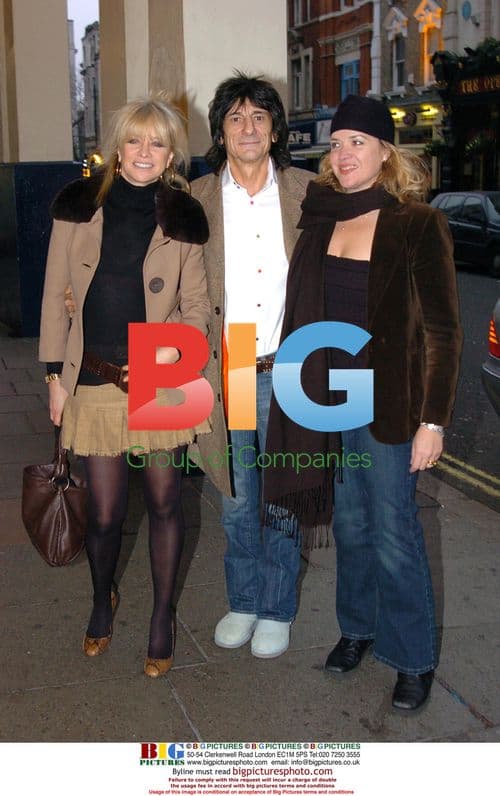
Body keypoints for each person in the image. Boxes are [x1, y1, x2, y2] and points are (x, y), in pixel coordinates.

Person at [265, 94, 462, 709]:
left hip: (390, 401)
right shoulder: (319, 216)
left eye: (359, 142)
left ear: (385, 152)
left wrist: (433, 420)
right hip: (329, 396)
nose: (344, 154)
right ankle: (357, 629)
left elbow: (443, 330)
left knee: (394, 528)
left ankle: (412, 655)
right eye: (338, 142)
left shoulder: (415, 222)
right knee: (348, 525)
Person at [39, 93, 210, 678]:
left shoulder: (183, 216)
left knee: (165, 502)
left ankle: (162, 617)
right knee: (106, 513)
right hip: (92, 378)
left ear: (170, 155)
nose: (144, 151)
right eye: (134, 140)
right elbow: (54, 297)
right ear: (117, 147)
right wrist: (53, 377)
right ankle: (100, 598)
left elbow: (197, 309)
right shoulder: (77, 205)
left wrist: (166, 352)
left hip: (162, 376)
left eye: (157, 142)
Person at [189, 73, 315, 658]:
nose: (247, 127)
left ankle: (277, 607)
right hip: (229, 365)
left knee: (285, 492)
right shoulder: (194, 199)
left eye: (259, 117)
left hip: (291, 365)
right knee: (237, 495)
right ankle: (242, 600)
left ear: (275, 130)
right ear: (220, 130)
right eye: (236, 117)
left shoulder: (308, 192)